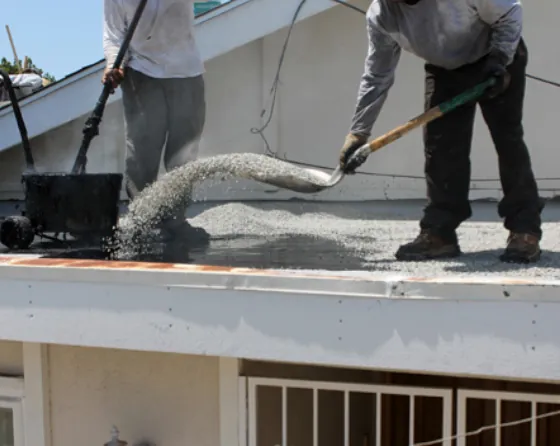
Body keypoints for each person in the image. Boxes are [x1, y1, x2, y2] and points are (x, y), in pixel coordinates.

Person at [339, 0, 543, 264]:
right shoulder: (381, 15)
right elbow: (377, 76)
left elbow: (511, 11)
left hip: (495, 55)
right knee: (441, 148)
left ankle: (524, 230)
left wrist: (499, 60)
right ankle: (439, 233)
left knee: (508, 139)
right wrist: (358, 134)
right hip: (446, 70)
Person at [102, 0, 206, 236]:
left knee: (184, 150)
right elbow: (114, 34)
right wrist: (113, 65)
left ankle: (175, 220)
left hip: (186, 70)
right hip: (142, 71)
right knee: (142, 148)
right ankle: (142, 220)